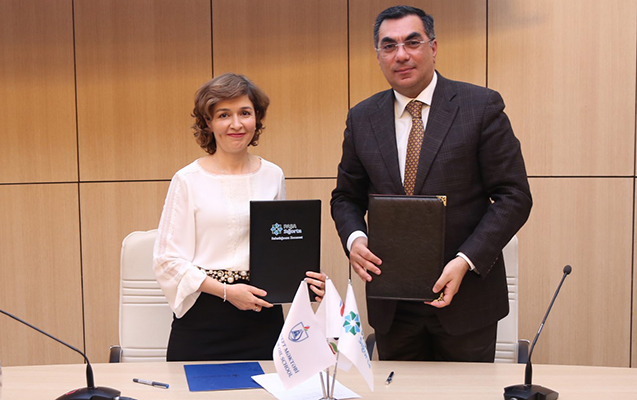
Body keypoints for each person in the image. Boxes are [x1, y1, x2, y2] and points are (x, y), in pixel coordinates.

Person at [330, 5, 532, 362]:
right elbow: (346, 197)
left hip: (466, 297)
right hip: (392, 302)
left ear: (433, 47)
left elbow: (513, 196)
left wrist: (465, 260)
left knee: (466, 390)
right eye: (389, 46)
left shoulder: (479, 106)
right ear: (378, 56)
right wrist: (355, 239)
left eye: (412, 42)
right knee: (399, 388)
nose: (401, 55)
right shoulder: (362, 118)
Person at [154, 73, 325, 361]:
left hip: (262, 315)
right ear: (208, 122)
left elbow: (280, 246)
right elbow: (166, 261)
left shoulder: (273, 175)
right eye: (224, 115)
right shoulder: (187, 180)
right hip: (203, 318)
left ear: (256, 118)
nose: (236, 124)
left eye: (245, 113)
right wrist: (227, 292)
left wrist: (305, 280)